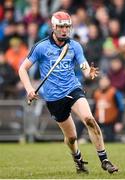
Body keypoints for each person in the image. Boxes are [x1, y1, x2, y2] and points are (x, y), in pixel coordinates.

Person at [19, 11, 118, 174]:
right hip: (53, 98)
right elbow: (23, 68)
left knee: (89, 119)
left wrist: (89, 72)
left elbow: (84, 65)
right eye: (61, 27)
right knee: (71, 138)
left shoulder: (75, 46)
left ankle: (104, 160)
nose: (65, 30)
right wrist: (29, 89)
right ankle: (78, 159)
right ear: (53, 27)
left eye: (67, 27)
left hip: (73, 89)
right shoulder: (41, 47)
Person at [93, 75, 124, 142]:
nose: (103, 83)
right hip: (98, 121)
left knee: (110, 139)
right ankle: (76, 139)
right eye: (102, 81)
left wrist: (119, 122)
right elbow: (94, 107)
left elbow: (121, 108)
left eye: (105, 81)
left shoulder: (114, 92)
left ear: (109, 82)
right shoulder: (96, 93)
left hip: (110, 122)